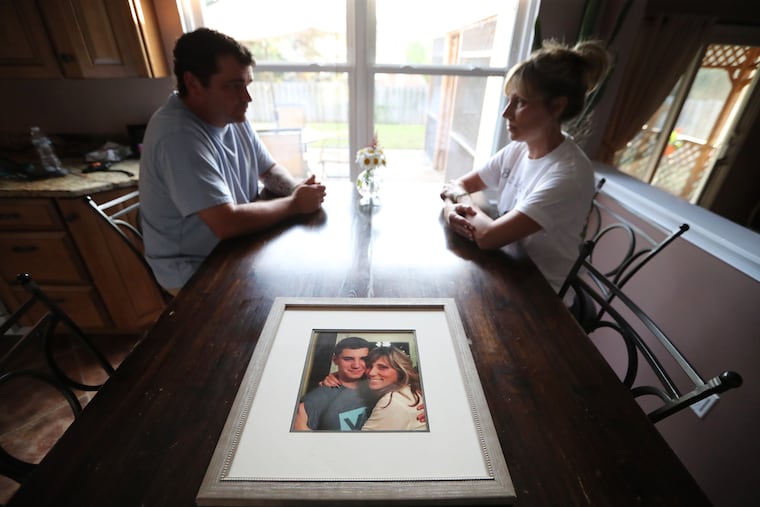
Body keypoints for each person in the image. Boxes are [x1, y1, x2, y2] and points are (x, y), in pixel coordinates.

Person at [139, 28, 326, 293]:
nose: (247, 98)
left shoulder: (230, 113)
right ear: (193, 83)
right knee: (288, 296)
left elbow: (269, 170)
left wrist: (295, 189)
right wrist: (295, 204)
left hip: (235, 246)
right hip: (194, 269)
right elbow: (225, 223)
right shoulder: (177, 135)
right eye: (234, 86)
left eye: (247, 85)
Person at [440, 40, 612, 309]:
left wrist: (459, 200)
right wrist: (451, 212)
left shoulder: (568, 174)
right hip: (508, 266)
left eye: (520, 103)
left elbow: (488, 237)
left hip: (540, 295)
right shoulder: (519, 149)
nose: (506, 113)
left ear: (557, 106)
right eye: (509, 101)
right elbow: (459, 184)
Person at [293, 337, 374, 431]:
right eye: (348, 359)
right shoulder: (315, 399)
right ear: (335, 360)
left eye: (363, 359)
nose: (356, 365)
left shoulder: (378, 389)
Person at [361, 346, 427, 431]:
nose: (371, 373)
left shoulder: (390, 402)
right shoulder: (409, 390)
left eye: (382, 367)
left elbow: (363, 442)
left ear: (400, 372)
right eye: (369, 366)